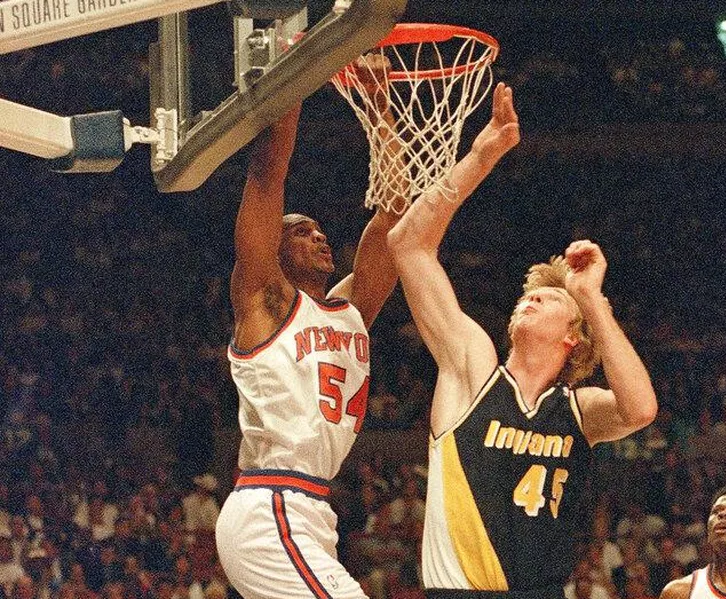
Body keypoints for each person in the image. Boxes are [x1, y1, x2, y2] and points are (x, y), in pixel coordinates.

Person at [386, 82, 658, 597]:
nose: (528, 300)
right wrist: (481, 154)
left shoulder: (579, 410)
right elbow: (409, 245)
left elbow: (641, 410)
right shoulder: (473, 369)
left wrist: (591, 299)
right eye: (527, 297)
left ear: (573, 337)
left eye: (549, 300)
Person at [215, 55, 405, 599]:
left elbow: (392, 217)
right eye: (301, 231)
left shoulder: (350, 310)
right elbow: (267, 174)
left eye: (321, 232)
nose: (319, 237)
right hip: (270, 504)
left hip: (312, 510)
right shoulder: (265, 300)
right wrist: (295, 77)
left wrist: (380, 110)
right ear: (272, 249)